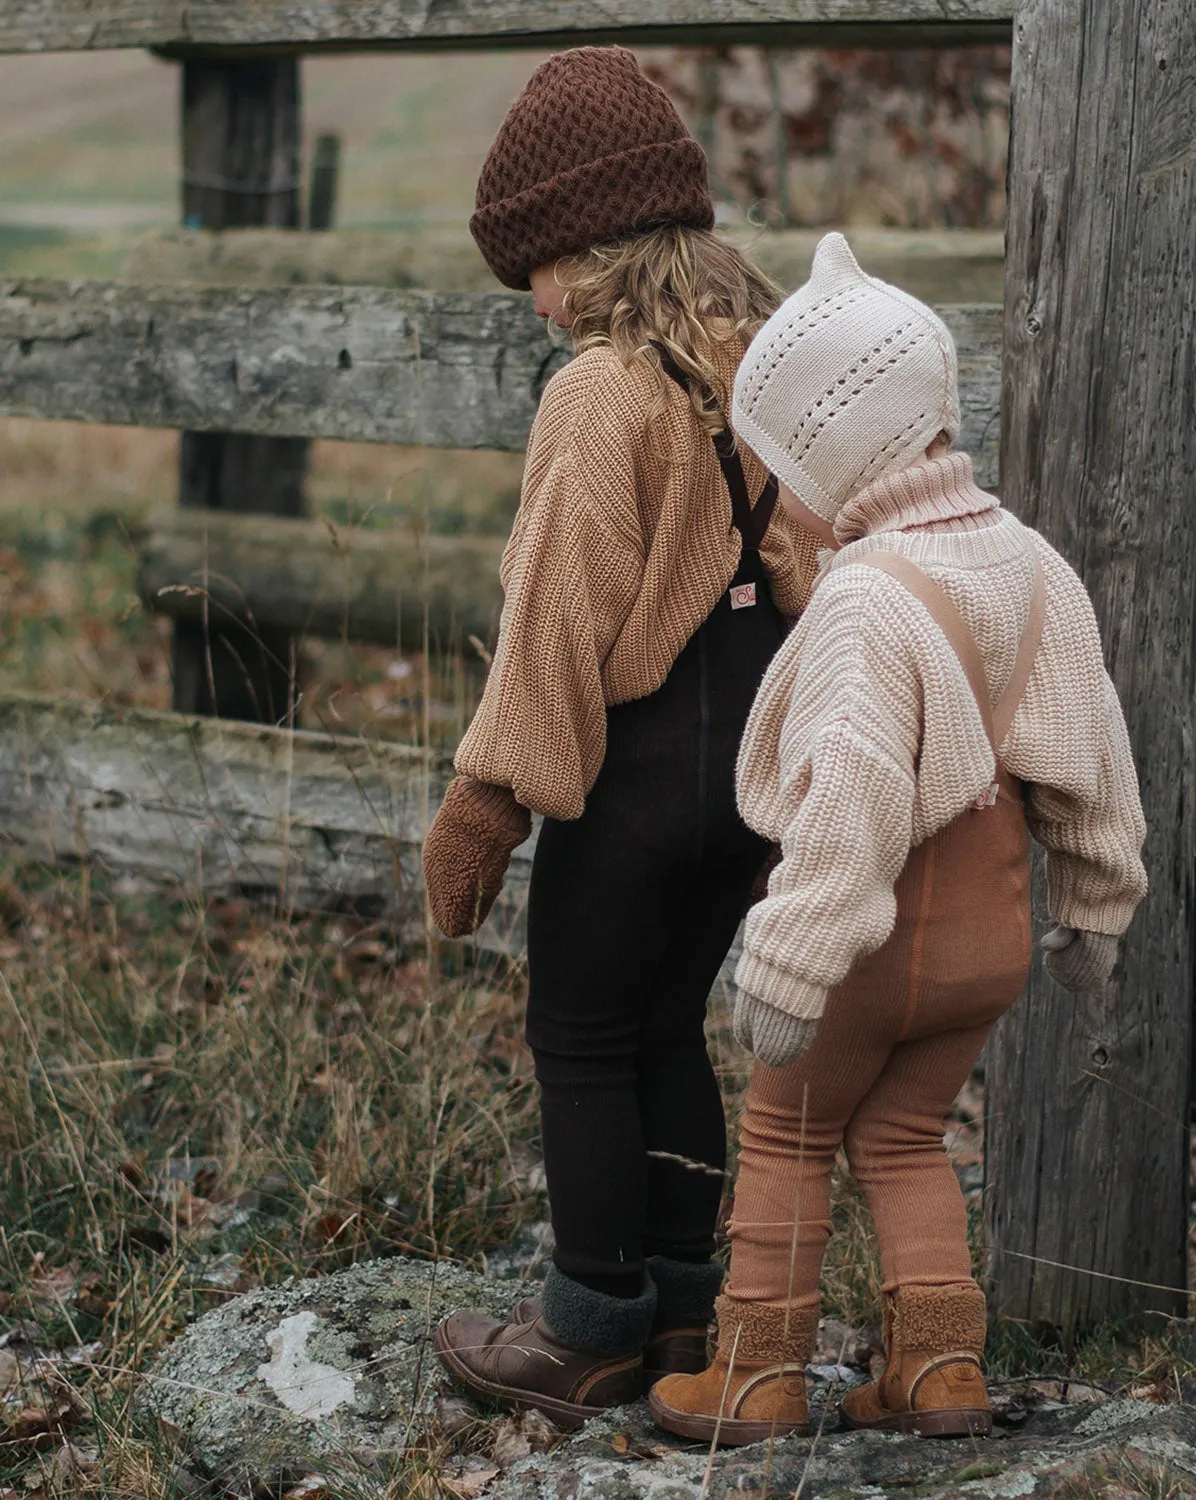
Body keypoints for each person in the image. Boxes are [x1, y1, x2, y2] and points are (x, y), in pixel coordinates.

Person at [649, 233, 1149, 1444]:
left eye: (785, 468)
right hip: (991, 934)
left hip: (877, 933)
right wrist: (1094, 903)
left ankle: (757, 1378)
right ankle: (938, 1372)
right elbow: (1093, 745)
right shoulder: (1028, 560)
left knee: (787, 1126)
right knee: (906, 1131)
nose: (781, 495)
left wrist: (789, 964)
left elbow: (853, 799)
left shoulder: (868, 599)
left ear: (836, 454)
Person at [421, 47, 820, 1431]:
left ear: (591, 245)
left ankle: (587, 1328)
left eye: (535, 266)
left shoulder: (601, 392)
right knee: (667, 1029)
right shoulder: (770, 361)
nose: (532, 301)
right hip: (755, 775)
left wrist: (486, 798)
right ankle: (686, 1313)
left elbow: (555, 624)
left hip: (636, 778)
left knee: (583, 1032)